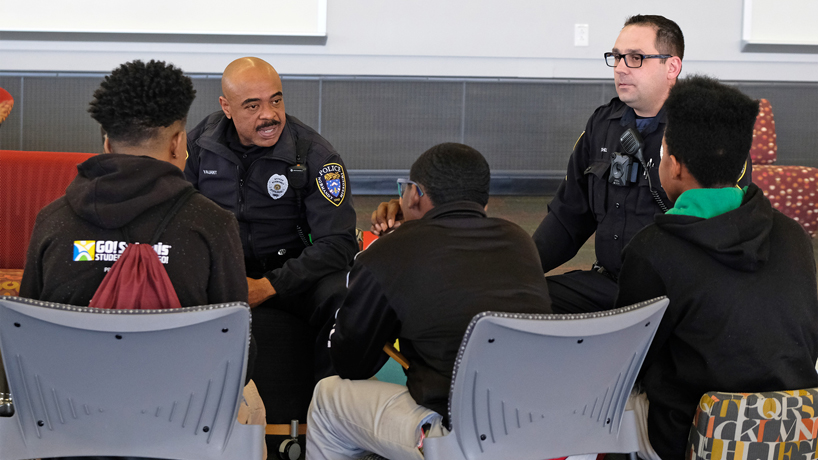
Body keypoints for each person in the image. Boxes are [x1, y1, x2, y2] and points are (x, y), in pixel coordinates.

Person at [369, 15, 749, 314]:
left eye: (635, 58)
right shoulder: (603, 125)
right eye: (615, 57)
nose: (620, 67)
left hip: (674, 293)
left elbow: (724, 229)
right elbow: (568, 219)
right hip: (611, 285)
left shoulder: (705, 132)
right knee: (504, 307)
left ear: (672, 66)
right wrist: (514, 273)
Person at [18, 59, 260, 459]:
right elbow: (239, 357)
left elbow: (25, 343)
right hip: (180, 432)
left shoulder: (53, 222)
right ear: (178, 142)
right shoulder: (211, 225)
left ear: (106, 143)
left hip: (68, 431)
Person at [306, 143, 553, 460]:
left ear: (414, 195)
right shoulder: (520, 241)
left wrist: (383, 259)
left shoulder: (390, 253)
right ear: (486, 201)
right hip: (537, 425)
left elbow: (351, 363)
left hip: (459, 436)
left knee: (328, 399)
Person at [615, 75, 818, 460]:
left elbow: (629, 363)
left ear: (674, 166)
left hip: (698, 435)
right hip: (794, 432)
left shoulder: (653, 249)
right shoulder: (793, 235)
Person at [185, 57, 358, 432]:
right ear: (226, 107)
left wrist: (270, 285)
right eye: (253, 105)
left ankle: (333, 421)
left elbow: (338, 244)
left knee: (343, 296)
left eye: (276, 100)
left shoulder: (315, 156)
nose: (270, 115)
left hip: (293, 275)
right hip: (223, 272)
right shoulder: (199, 145)